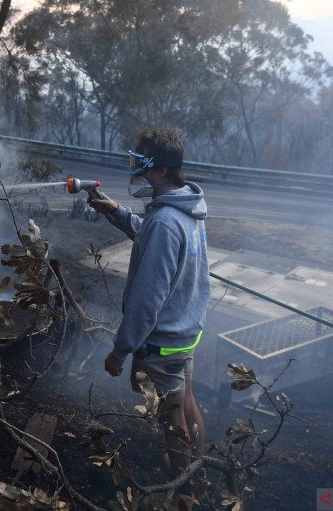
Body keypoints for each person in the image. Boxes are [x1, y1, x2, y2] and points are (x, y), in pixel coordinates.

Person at [87, 127, 209, 479]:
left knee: (171, 420)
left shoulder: (164, 222)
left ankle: (183, 489)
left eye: (141, 164)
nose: (135, 171)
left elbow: (145, 300)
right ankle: (198, 471)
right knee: (187, 404)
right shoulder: (186, 205)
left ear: (160, 171)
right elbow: (156, 235)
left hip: (163, 340)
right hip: (186, 331)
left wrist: (120, 351)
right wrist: (116, 211)